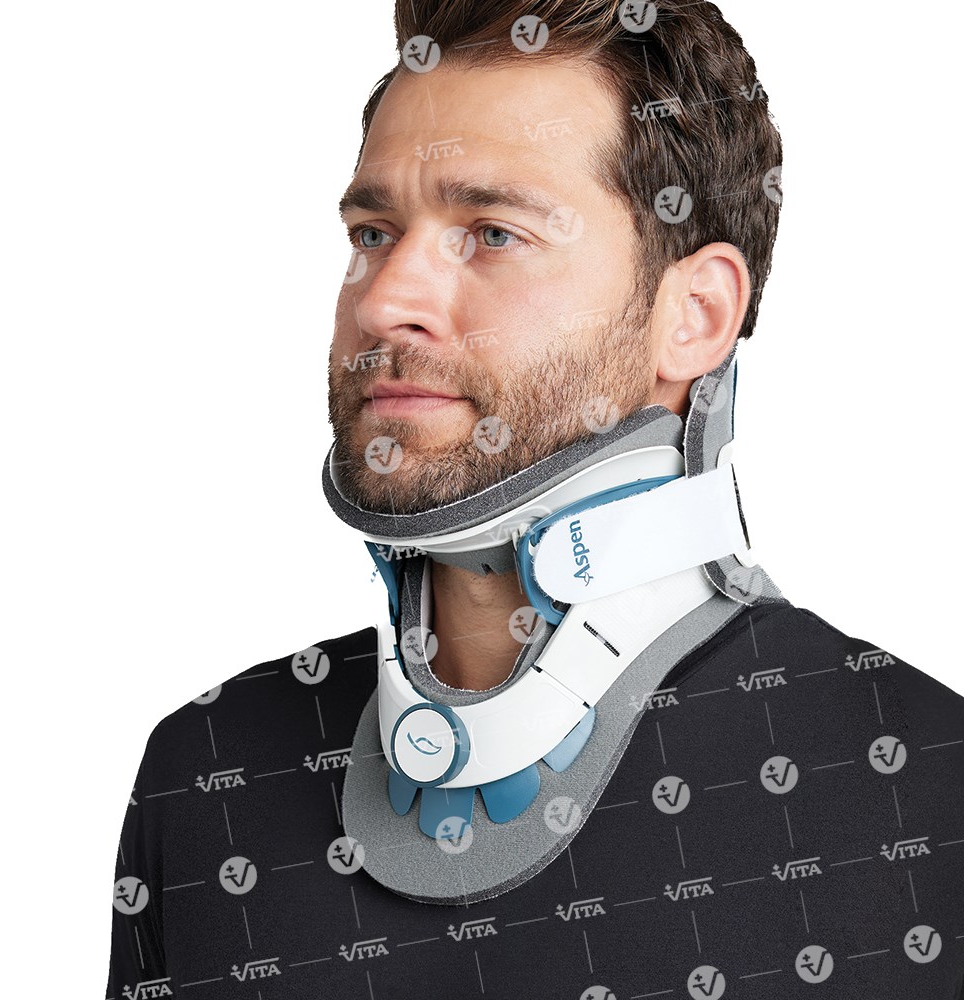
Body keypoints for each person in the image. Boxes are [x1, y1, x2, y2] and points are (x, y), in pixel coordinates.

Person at [106, 2, 964, 998]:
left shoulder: (922, 796)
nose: (384, 300)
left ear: (695, 316)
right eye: (374, 232)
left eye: (492, 232)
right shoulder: (207, 777)